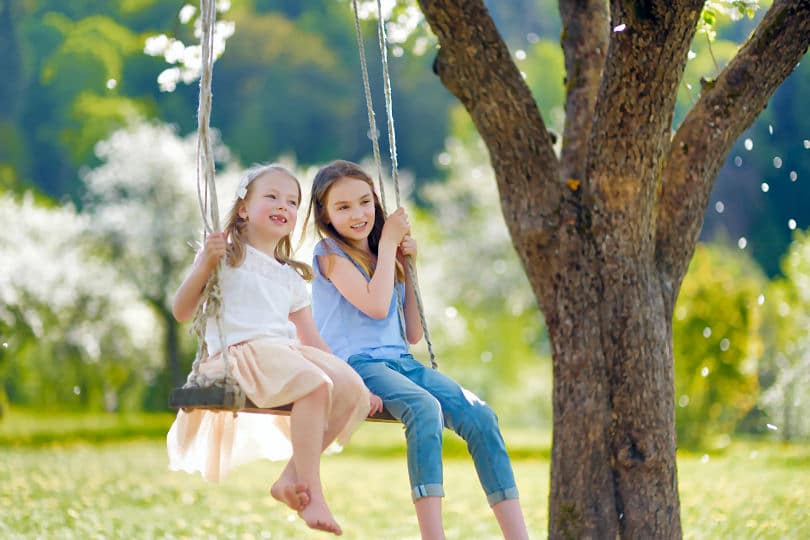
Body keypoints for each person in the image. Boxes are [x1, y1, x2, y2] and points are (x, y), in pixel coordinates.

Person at [305, 159, 529, 539]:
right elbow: (374, 306)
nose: (358, 214)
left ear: (375, 202)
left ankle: (517, 534)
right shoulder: (329, 253)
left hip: (401, 363)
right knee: (425, 408)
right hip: (359, 366)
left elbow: (410, 332)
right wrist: (391, 241)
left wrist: (408, 267)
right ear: (325, 216)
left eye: (364, 202)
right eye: (343, 207)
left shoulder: (383, 256)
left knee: (482, 417)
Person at [167, 163, 382, 536]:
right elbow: (182, 310)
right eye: (272, 196)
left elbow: (312, 339)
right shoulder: (225, 257)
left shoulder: (290, 276)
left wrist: (360, 386)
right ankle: (312, 492)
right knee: (315, 385)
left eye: (293, 201)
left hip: (283, 354)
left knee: (345, 385)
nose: (284, 205)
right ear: (244, 208)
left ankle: (289, 479)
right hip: (238, 355)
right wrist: (204, 263)